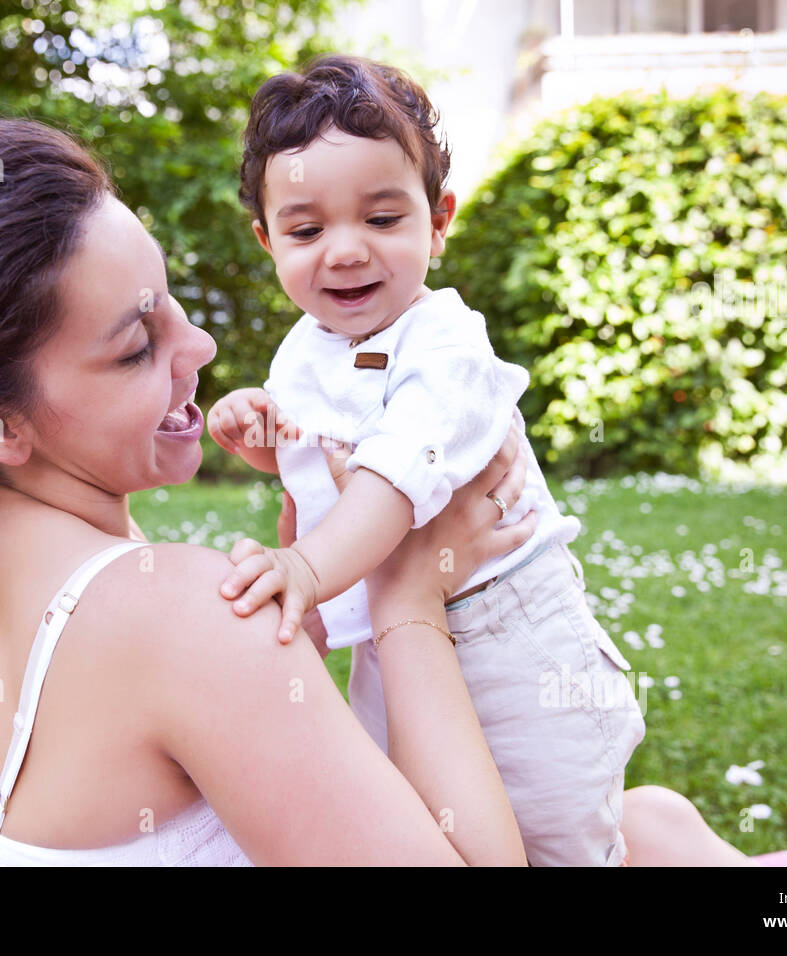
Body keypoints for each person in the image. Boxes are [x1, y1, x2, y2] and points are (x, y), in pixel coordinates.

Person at [0, 115, 749, 866]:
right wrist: (407, 594)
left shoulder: (16, 569)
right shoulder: (180, 613)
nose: (197, 344)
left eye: (172, 302)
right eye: (136, 343)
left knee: (651, 822)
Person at [207, 54, 645, 865]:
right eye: (307, 230)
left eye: (382, 219)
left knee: (552, 824)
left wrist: (304, 568)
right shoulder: (306, 351)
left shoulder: (444, 342)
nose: (344, 252)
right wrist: (268, 440)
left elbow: (392, 478)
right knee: (421, 808)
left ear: (437, 222)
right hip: (390, 624)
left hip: (509, 628)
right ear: (268, 241)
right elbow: (324, 463)